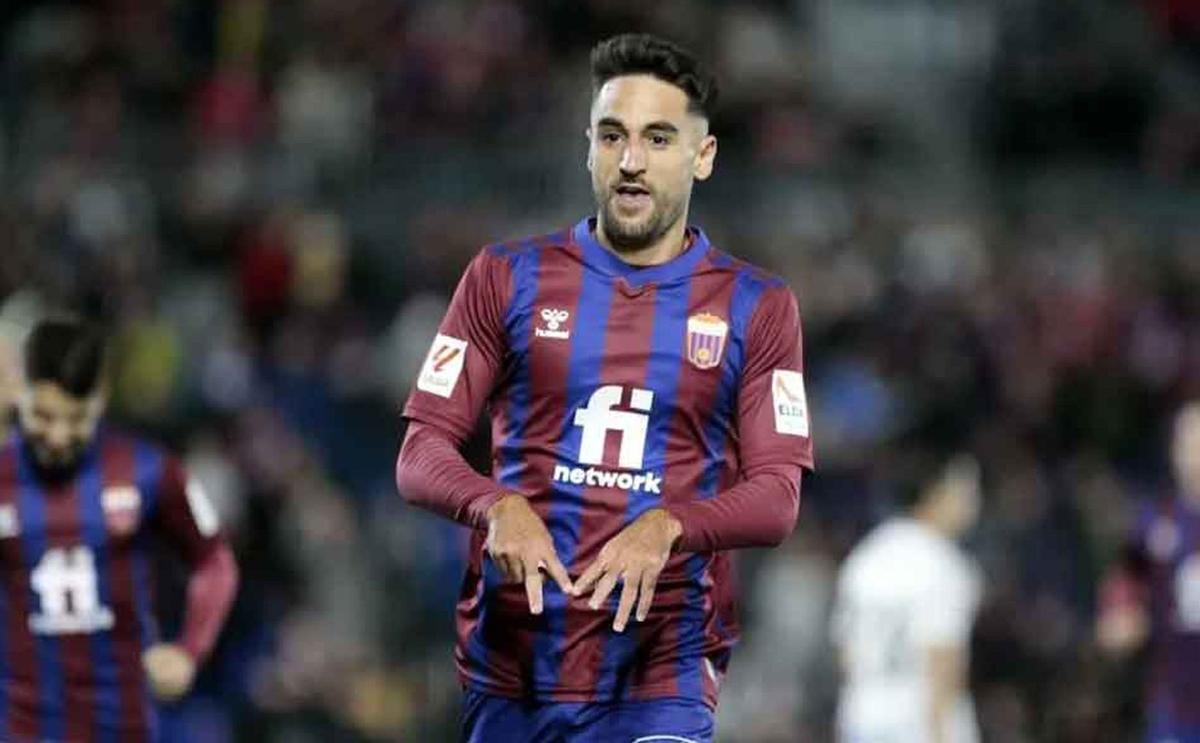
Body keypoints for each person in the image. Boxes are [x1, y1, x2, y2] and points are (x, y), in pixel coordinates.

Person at [396, 32, 814, 743]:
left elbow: (777, 498)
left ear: (702, 156)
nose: (630, 161)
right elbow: (419, 453)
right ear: (587, 144)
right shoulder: (504, 277)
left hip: (663, 666)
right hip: (513, 664)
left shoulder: (758, 305)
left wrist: (670, 525)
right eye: (613, 135)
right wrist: (493, 504)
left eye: (658, 138)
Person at [0, 318, 239, 741]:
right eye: (44, 415)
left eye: (75, 419)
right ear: (23, 392)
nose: (57, 436)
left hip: (123, 726)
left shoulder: (147, 469)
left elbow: (214, 560)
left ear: (101, 398)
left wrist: (188, 651)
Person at [831, 452, 982, 743]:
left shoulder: (866, 555)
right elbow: (942, 661)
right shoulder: (943, 562)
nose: (974, 504)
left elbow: (846, 654)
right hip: (917, 725)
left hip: (862, 718)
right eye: (967, 491)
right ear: (939, 492)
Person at [1097, 401, 1200, 743]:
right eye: (1186, 443)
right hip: (1175, 704)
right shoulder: (1154, 521)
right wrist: (1121, 617)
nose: (1193, 454)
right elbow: (1123, 589)